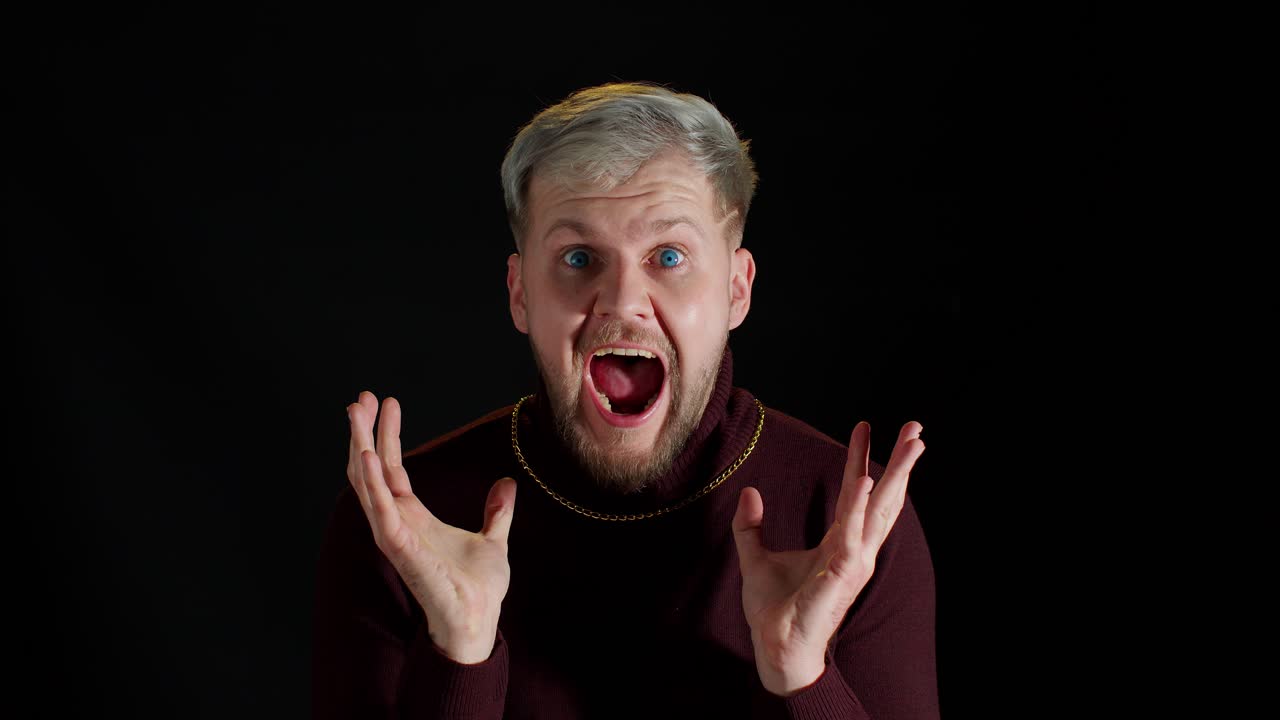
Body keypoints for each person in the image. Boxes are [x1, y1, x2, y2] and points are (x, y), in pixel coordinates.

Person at [313, 81, 936, 719]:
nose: (620, 301)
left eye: (668, 255)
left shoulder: (850, 524)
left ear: (737, 290)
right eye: (578, 257)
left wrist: (803, 678)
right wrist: (458, 654)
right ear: (520, 292)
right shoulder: (405, 525)